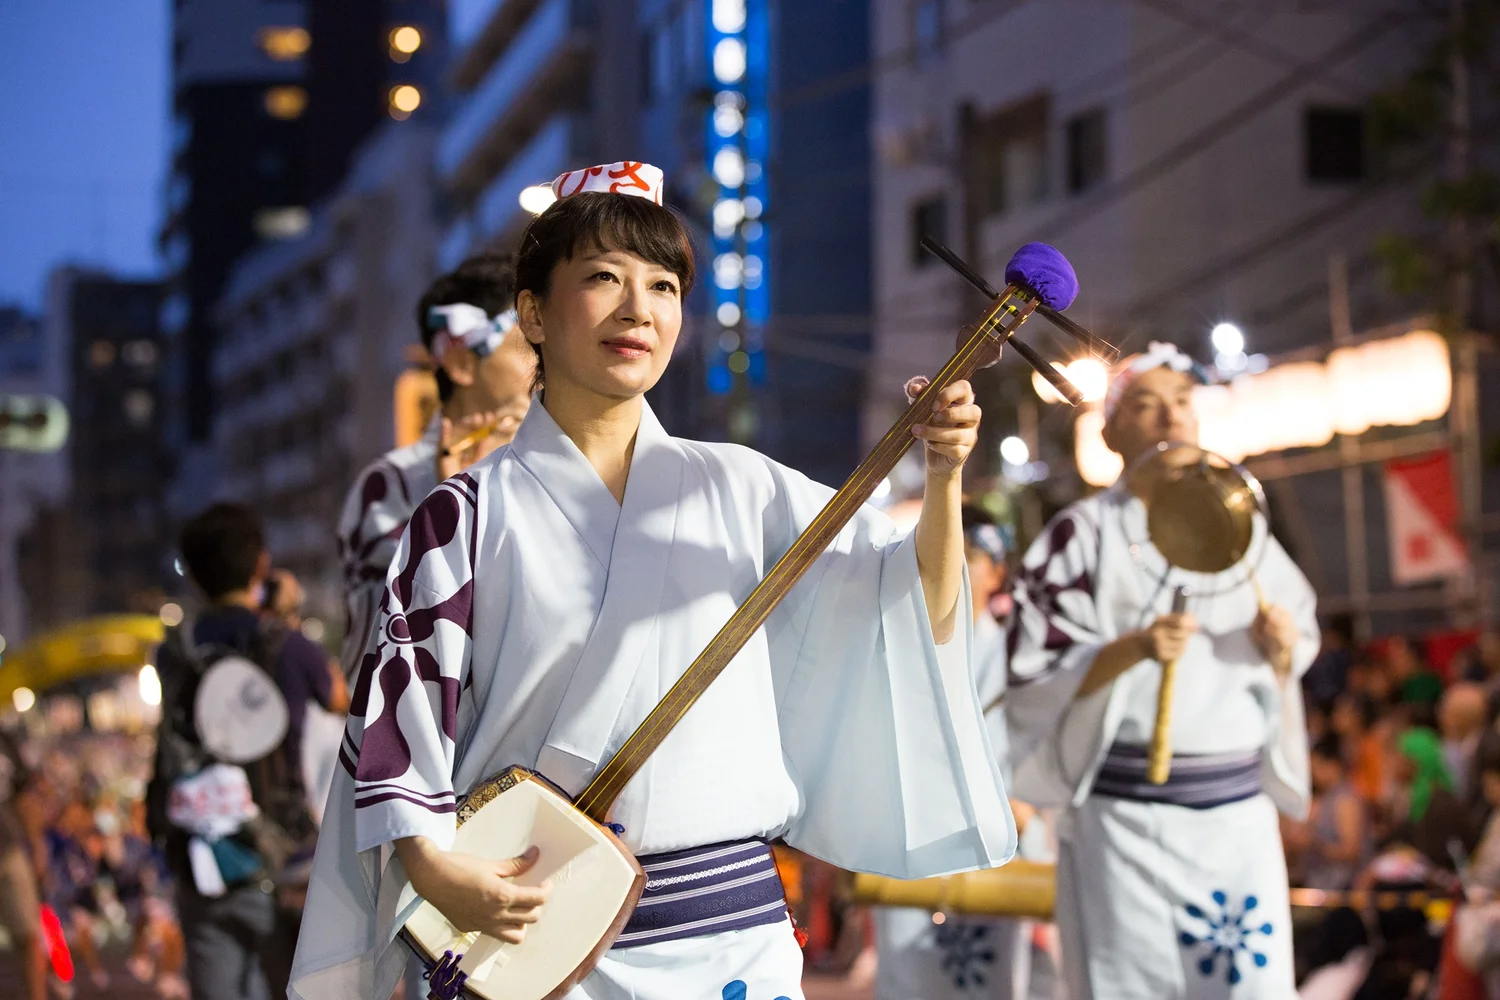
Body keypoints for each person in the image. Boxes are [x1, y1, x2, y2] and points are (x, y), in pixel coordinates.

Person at [291, 162, 1014, 1000]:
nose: (640, 309)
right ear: (532, 310)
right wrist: (430, 864)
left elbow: (908, 606)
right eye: (604, 278)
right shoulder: (463, 515)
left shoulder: (746, 486)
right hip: (532, 936)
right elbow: (402, 716)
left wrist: (946, 469)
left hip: (731, 943)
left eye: (664, 286)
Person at [1004, 341, 1319, 999]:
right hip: (1126, 823)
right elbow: (1031, 672)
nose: (1172, 421)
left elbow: (1297, 635)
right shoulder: (1081, 534)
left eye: (1183, 405)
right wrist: (1130, 648)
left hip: (1235, 821)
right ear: (1111, 431)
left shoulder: (1241, 523)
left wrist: (1283, 648)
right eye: (1148, 408)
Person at [149, 502, 350, 1000]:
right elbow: (340, 697)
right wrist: (284, 616)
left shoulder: (174, 651)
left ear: (194, 576)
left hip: (203, 852)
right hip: (285, 858)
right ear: (261, 564)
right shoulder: (288, 644)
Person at [336, 253, 535, 678]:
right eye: (527, 341)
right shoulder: (388, 486)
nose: (546, 355)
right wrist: (451, 514)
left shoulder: (558, 463)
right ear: (462, 360)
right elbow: (371, 663)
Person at [873, 506, 1037, 1000]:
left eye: (969, 554)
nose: (953, 564)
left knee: (992, 983)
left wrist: (1028, 799)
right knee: (909, 981)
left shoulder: (1023, 655)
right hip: (911, 843)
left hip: (998, 847)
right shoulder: (888, 645)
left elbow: (1047, 743)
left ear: (998, 571)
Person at [1284, 735, 1368, 891]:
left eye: (1316, 767)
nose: (1313, 774)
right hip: (1320, 884)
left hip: (1343, 888)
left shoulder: (1345, 798)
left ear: (1332, 765)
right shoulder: (1325, 797)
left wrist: (1315, 845)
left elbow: (1352, 850)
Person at [0, 728, 46, 1000]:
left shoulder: (4, 737)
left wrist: (37, 844)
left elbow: (24, 797)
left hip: (8, 848)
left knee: (28, 934)